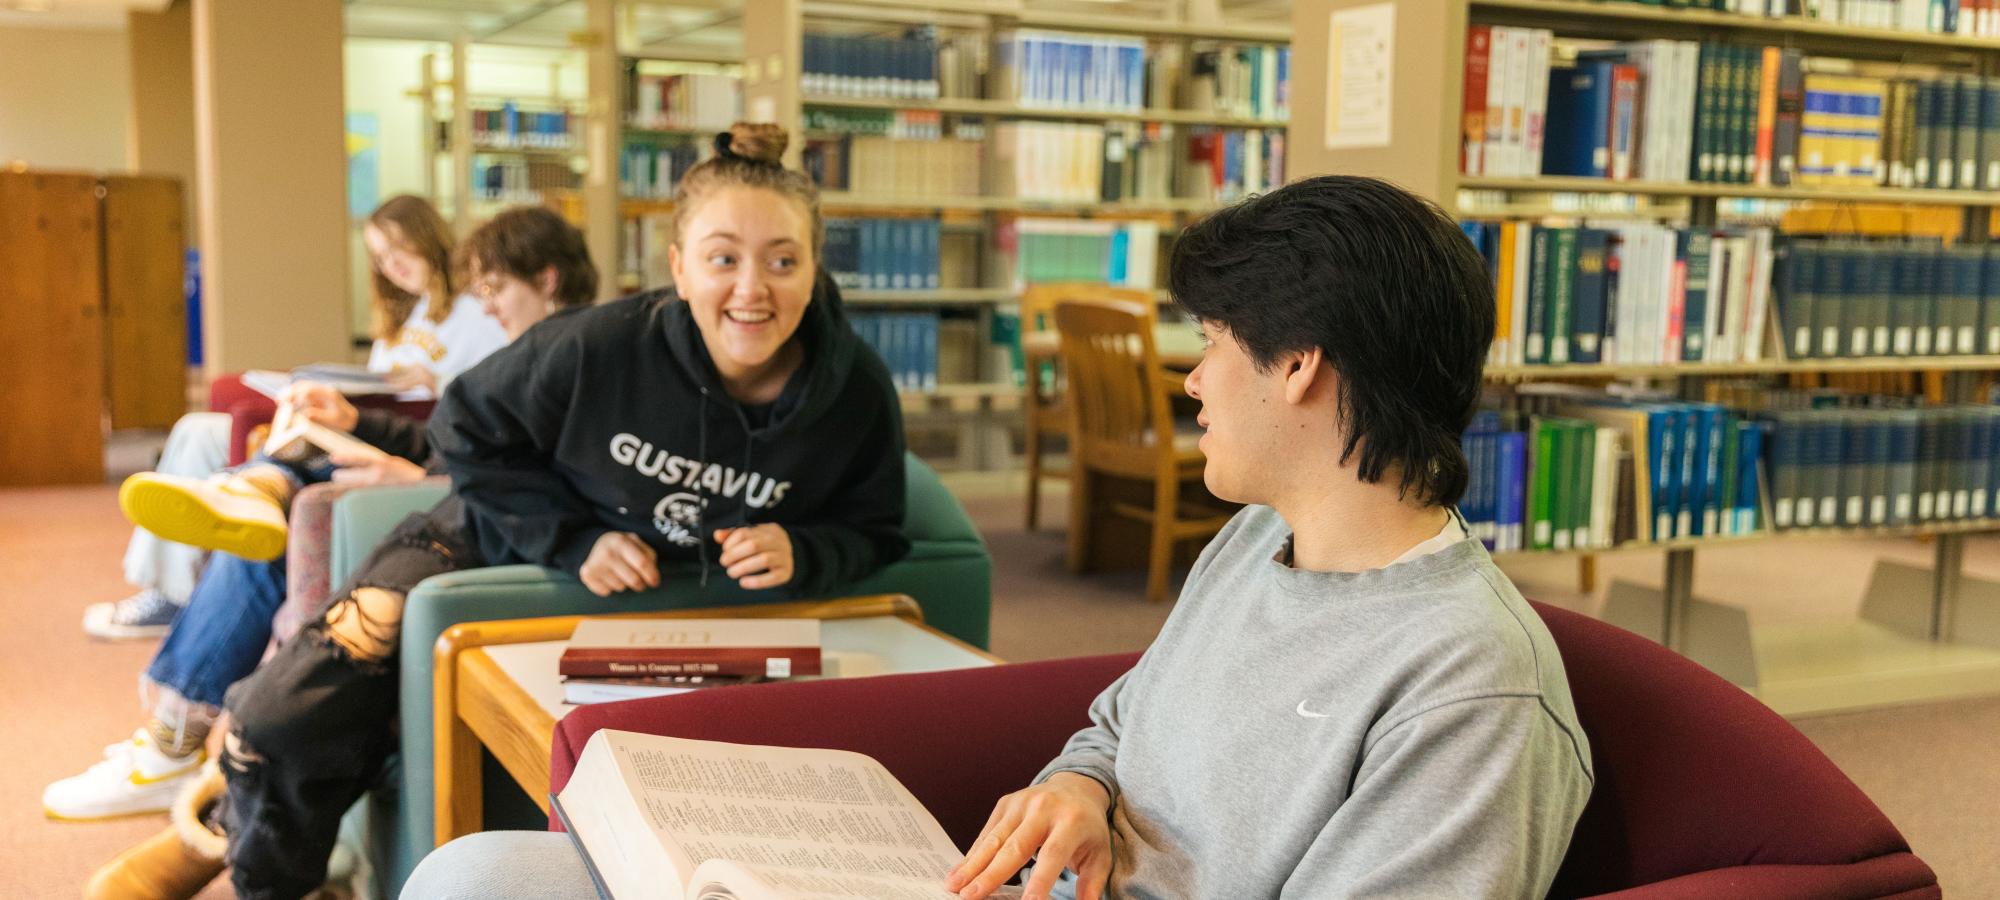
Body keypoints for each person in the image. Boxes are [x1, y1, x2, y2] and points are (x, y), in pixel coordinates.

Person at [402, 175, 1596, 900]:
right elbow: (1118, 725)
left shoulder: (1466, 691)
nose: (1190, 379)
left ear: (1298, 368)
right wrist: (1076, 786)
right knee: (472, 874)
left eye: (1212, 343)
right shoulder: (1253, 546)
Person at [85, 123, 911, 900]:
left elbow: (875, 528)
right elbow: (464, 428)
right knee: (283, 713)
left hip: (687, 614)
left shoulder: (858, 391)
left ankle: (225, 822)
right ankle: (242, 849)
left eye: (783, 261)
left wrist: (806, 550)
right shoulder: (597, 344)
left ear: (814, 267)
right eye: (722, 258)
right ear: (679, 266)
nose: (752, 289)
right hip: (504, 535)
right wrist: (574, 539)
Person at [45, 206, 590, 826]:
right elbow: (447, 439)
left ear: (546, 280)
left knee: (276, 529)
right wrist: (356, 421)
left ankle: (173, 740)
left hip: (454, 515)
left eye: (494, 289)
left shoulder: (572, 364)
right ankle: (260, 488)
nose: (485, 307)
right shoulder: (526, 354)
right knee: (298, 468)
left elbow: (532, 484)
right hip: (433, 484)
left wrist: (416, 480)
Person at [85, 195, 507, 639]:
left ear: (428, 238)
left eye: (399, 249)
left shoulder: (477, 311)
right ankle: (176, 576)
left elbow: (483, 395)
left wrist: (435, 380)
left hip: (396, 435)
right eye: (381, 258)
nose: (392, 266)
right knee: (195, 430)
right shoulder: (403, 318)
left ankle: (232, 508)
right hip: (364, 421)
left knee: (226, 445)